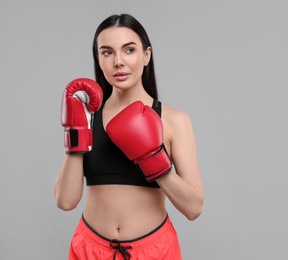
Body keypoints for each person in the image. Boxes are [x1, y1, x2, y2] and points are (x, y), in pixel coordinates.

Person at [54, 13, 204, 260]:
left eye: (129, 50)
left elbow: (193, 208)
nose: (118, 62)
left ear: (147, 55)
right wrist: (77, 134)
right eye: (107, 52)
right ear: (98, 59)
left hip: (154, 250)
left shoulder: (174, 120)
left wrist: (152, 158)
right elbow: (66, 201)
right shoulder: (87, 116)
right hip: (90, 249)